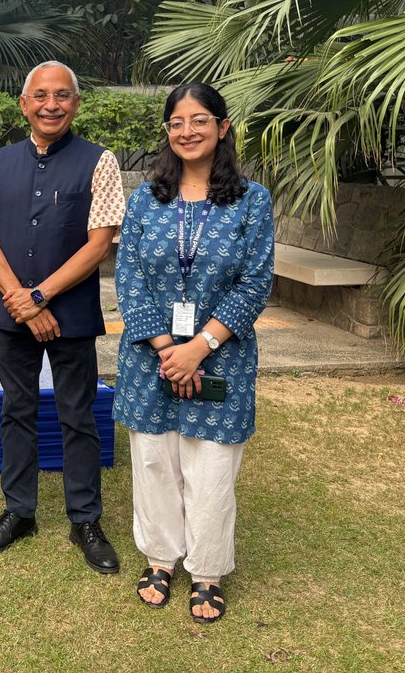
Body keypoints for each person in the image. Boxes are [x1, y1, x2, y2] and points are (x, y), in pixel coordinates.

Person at [114, 82, 274, 622]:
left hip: (221, 355)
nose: (188, 131)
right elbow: (129, 275)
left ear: (223, 127)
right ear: (167, 132)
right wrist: (167, 349)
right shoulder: (144, 199)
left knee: (211, 467)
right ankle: (160, 557)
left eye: (200, 120)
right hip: (149, 356)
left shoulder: (253, 200)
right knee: (155, 459)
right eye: (178, 122)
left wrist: (198, 348)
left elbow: (255, 282)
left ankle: (206, 569)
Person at [0, 62, 125, 574]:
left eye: (62, 96)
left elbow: (99, 242)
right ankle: (20, 512)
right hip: (11, 310)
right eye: (40, 96)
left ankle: (85, 519)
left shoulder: (99, 162)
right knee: (16, 410)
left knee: (77, 414)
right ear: (24, 104)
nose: (51, 105)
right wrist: (20, 297)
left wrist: (40, 297)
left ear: (76, 104)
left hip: (70, 312)